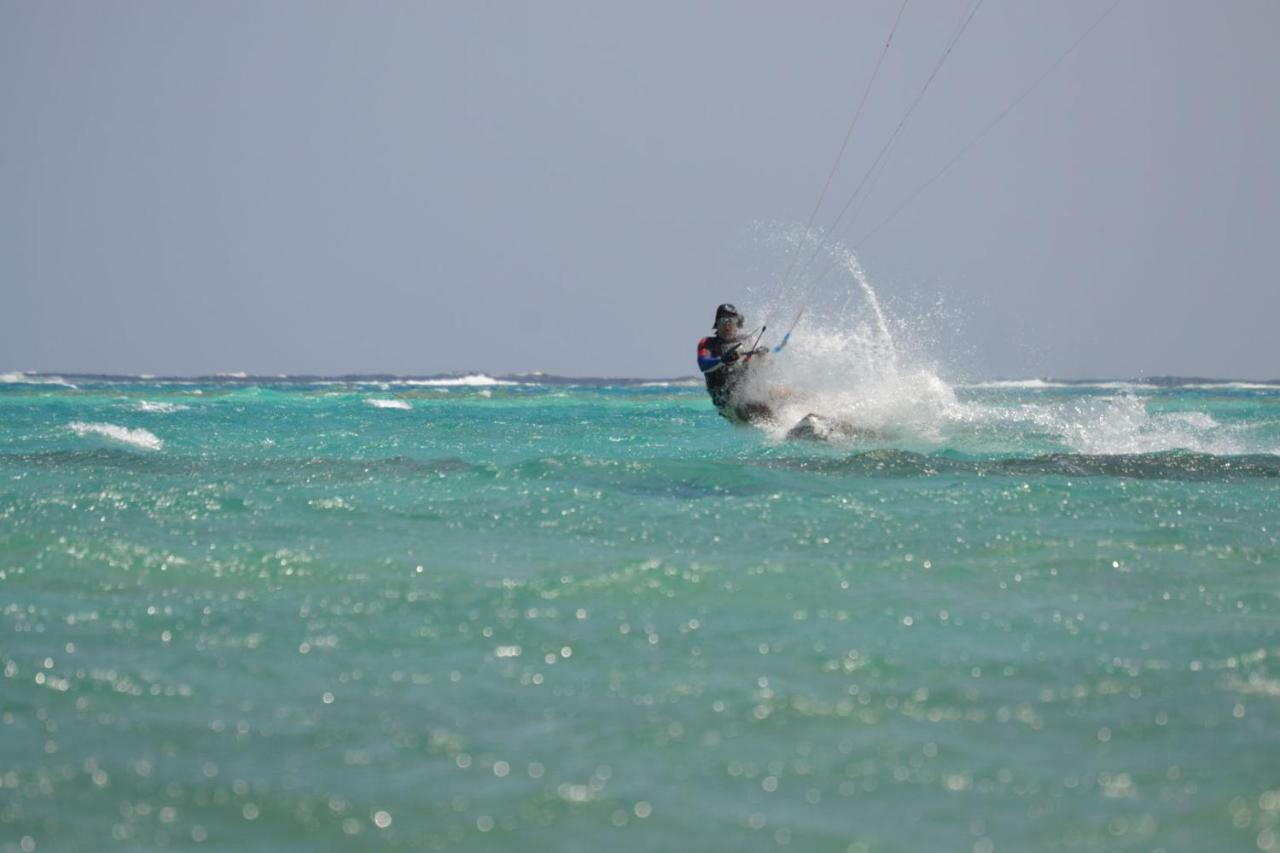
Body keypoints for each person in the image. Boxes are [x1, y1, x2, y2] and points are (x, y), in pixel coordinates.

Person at [696, 303, 773, 423]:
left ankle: (804, 422)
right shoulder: (707, 343)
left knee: (786, 394)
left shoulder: (747, 340)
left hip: (745, 394)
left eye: (731, 320)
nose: (727, 325)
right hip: (727, 404)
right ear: (717, 324)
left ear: (737, 323)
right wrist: (722, 360)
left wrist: (762, 356)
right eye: (723, 321)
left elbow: (768, 366)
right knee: (754, 405)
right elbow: (703, 364)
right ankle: (782, 431)